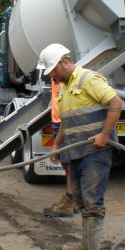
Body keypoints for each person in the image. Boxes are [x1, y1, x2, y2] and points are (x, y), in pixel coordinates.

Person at [39, 43, 123, 250]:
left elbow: (115, 101)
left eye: (54, 71)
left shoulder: (88, 79)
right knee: (80, 199)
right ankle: (86, 245)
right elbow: (67, 122)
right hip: (76, 151)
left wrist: (105, 135)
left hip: (95, 151)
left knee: (93, 199)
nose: (53, 76)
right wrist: (57, 145)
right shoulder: (65, 86)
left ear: (65, 63)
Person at [42, 78, 75, 217]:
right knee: (66, 164)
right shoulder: (56, 78)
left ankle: (70, 202)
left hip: (64, 123)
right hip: (57, 120)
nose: (51, 73)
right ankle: (75, 200)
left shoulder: (67, 81)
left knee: (70, 165)